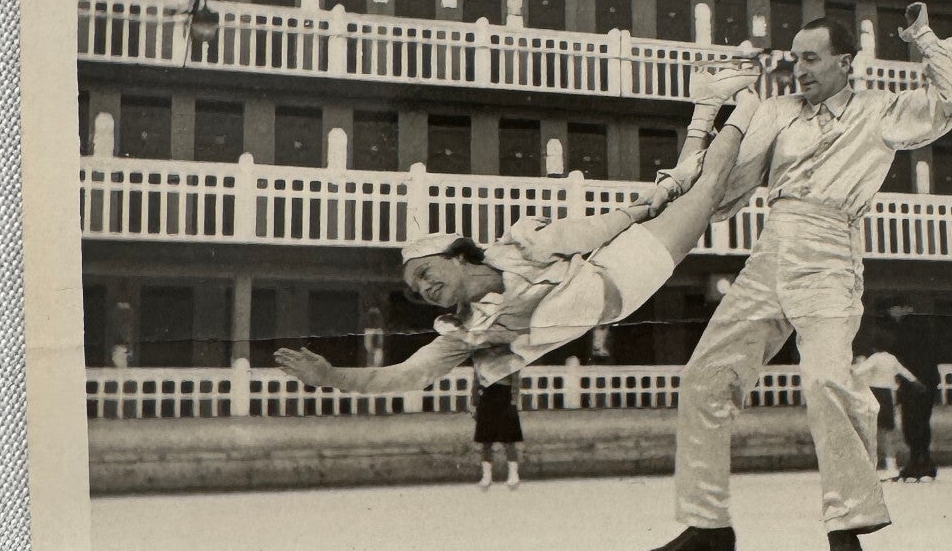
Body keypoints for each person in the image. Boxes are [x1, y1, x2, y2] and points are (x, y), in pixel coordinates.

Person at [641, 3, 952, 551]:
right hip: (773, 246)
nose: (799, 69)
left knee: (827, 379)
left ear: (845, 62)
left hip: (830, 251)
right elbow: (726, 186)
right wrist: (682, 177)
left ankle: (849, 516)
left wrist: (922, 37)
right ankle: (707, 523)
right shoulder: (777, 113)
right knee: (705, 376)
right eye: (794, 58)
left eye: (811, 58)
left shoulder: (881, 111)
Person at [274, 62, 762, 415]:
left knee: (707, 194)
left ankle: (749, 102)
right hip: (621, 290)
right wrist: (331, 377)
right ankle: (707, 103)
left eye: (425, 272)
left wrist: (649, 203)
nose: (424, 289)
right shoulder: (465, 333)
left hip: (623, 267)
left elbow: (588, 231)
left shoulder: (520, 245)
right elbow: (404, 375)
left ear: (455, 256)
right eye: (416, 289)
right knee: (700, 194)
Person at [888, 302, 943, 481]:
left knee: (912, 423)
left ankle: (917, 461)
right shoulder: (922, 327)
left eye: (893, 309)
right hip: (927, 381)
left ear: (903, 308)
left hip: (915, 383)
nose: (891, 314)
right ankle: (923, 461)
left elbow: (905, 356)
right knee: (922, 422)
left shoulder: (906, 329)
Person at [852, 346, 917, 477]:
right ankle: (891, 466)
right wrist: (915, 381)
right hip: (888, 394)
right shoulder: (891, 358)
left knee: (871, 430)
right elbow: (904, 372)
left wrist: (850, 367)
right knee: (887, 431)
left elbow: (858, 372)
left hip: (875, 393)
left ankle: (870, 466)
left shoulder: (875, 359)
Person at [472, 373, 523, 489]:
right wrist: (474, 401)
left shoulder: (508, 356)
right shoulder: (481, 357)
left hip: (505, 395)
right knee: (486, 440)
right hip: (486, 395)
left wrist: (514, 399)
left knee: (509, 438)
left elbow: (515, 377)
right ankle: (486, 476)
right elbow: (476, 379)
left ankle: (514, 475)